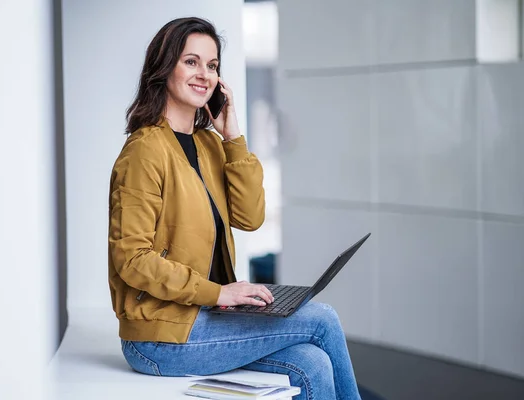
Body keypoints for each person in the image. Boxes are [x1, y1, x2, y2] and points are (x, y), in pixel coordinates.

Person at [108, 17, 362, 400]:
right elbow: (132, 258)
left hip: (206, 317)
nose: (204, 74)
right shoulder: (144, 151)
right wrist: (219, 293)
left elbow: (250, 217)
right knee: (322, 319)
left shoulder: (210, 145)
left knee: (313, 363)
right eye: (191, 61)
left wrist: (233, 139)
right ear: (164, 68)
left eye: (212, 66)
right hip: (160, 337)